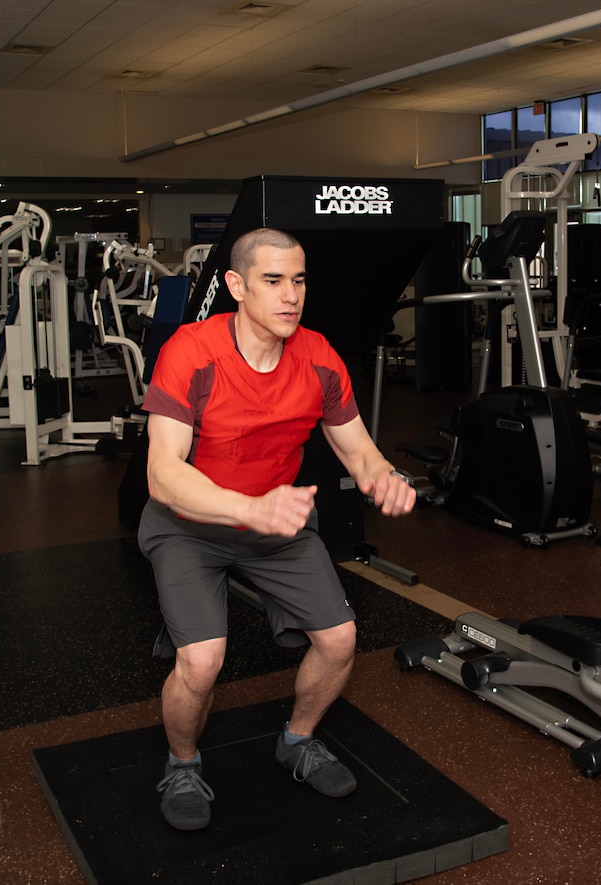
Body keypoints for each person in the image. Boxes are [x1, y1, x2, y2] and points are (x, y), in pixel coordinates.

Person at [137, 227, 416, 831]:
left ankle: (297, 740)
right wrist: (247, 508)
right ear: (236, 286)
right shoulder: (191, 351)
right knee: (203, 660)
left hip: (275, 523)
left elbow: (360, 452)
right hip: (189, 525)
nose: (290, 295)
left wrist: (384, 477)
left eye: (299, 280)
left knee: (340, 639)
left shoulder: (318, 356)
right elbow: (162, 475)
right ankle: (183, 762)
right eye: (272, 281)